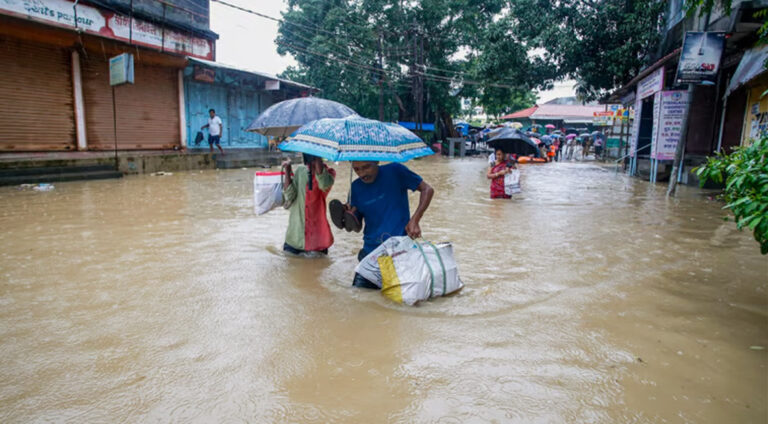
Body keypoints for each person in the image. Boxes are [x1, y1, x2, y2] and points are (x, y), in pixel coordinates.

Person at [336, 161, 434, 289]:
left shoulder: (396, 171)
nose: (362, 173)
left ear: (376, 161)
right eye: (357, 169)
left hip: (399, 252)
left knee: (402, 300)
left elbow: (427, 189)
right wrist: (349, 216)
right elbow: (357, 227)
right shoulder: (355, 187)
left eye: (366, 167)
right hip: (370, 253)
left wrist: (415, 219)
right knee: (358, 298)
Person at [281, 154, 336, 255]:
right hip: (295, 238)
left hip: (317, 242)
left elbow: (324, 184)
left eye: (314, 156)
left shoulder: (330, 173)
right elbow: (289, 196)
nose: (310, 158)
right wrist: (288, 171)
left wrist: (317, 161)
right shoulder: (300, 171)